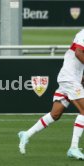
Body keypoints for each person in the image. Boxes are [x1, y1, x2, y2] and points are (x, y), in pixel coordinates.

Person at [18, 29, 84, 160]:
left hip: (71, 78)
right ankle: (74, 147)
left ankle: (26, 134)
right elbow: (78, 53)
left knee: (55, 114)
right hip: (69, 78)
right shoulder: (83, 34)